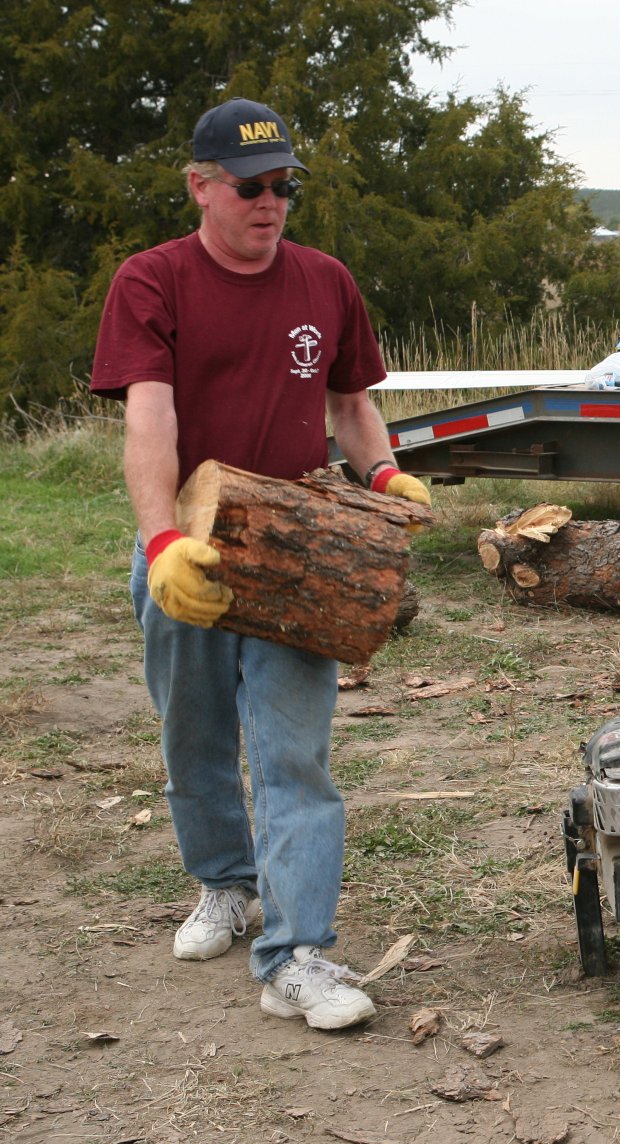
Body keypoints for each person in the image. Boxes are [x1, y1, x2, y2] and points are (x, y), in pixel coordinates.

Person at [90, 97, 431, 1030]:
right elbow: (147, 419)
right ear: (202, 187)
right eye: (251, 187)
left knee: (293, 755)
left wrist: (386, 471)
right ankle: (224, 887)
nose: (271, 202)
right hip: (190, 545)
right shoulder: (151, 281)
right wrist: (163, 543)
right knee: (193, 738)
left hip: (295, 550)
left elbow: (350, 403)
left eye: (285, 185)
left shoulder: (325, 281)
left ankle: (297, 955)